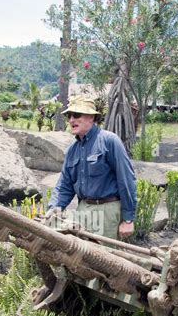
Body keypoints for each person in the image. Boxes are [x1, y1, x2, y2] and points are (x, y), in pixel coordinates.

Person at [47, 97, 136, 240]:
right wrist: (53, 209)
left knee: (106, 258)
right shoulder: (72, 150)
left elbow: (126, 180)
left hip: (107, 210)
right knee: (81, 256)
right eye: (69, 116)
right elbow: (64, 185)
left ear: (91, 117)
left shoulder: (109, 141)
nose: (71, 120)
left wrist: (128, 219)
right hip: (82, 209)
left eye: (76, 115)